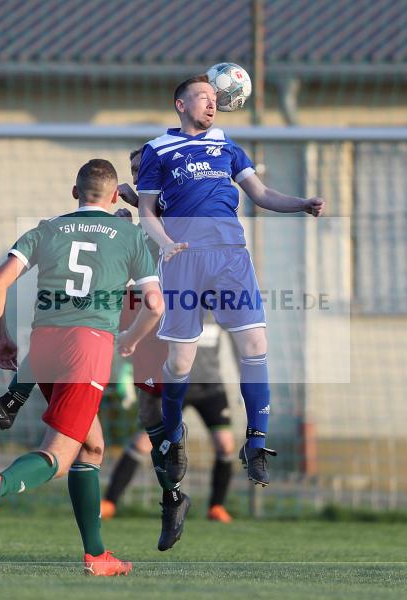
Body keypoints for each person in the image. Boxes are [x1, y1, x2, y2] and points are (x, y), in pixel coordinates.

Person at [0, 149, 193, 552]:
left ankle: (96, 554)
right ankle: (0, 483)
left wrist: (2, 338)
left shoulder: (46, 230)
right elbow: (155, 304)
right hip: (87, 349)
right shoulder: (130, 235)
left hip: (43, 347)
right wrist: (132, 338)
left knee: (91, 447)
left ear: (75, 192)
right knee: (58, 455)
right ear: (115, 197)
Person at [136, 74, 325, 488]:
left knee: (256, 345)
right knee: (180, 362)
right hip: (184, 259)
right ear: (181, 105)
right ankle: (172, 437)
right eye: (202, 96)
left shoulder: (228, 147)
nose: (212, 103)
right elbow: (146, 208)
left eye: (214, 97)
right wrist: (166, 243)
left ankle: (255, 443)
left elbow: (262, 193)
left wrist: (301, 204)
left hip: (231, 258)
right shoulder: (158, 149)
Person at [103, 148, 236, 524]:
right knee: (145, 440)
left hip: (206, 378)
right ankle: (110, 502)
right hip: (166, 367)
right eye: (134, 170)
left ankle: (217, 506)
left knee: (225, 443)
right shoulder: (150, 243)